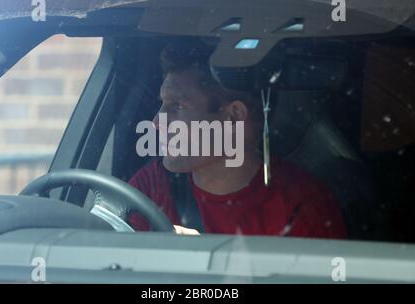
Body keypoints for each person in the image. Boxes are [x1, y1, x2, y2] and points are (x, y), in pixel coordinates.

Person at [128, 40, 347, 239]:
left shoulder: (301, 206)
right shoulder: (151, 186)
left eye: (177, 106)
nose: (156, 121)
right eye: (163, 105)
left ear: (233, 117)